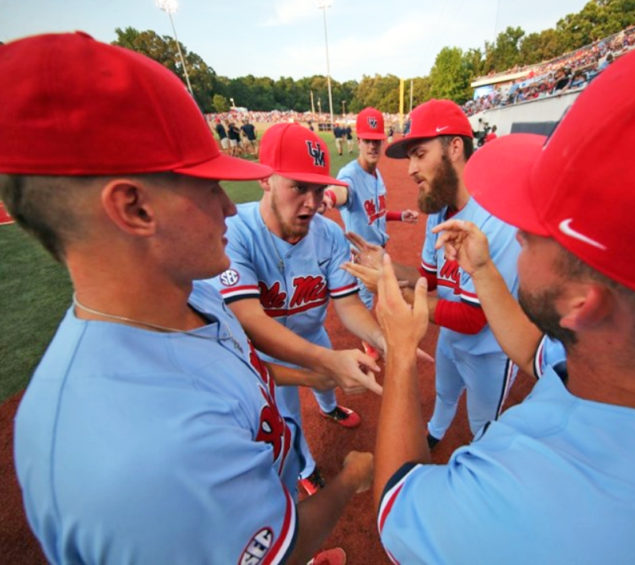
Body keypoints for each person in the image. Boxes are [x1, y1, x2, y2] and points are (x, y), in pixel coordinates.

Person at [373, 29, 635, 563]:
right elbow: (537, 350)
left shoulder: (529, 496)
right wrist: (484, 269)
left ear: (585, 302)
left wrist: (400, 353)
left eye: (536, 228)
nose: (518, 233)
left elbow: (396, 509)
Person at [2, 32, 371, 564]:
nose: (227, 206)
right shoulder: (144, 455)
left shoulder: (186, 290)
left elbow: (235, 374)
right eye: (207, 184)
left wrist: (316, 375)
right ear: (134, 209)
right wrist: (350, 479)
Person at [208, 122, 386, 496]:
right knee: (286, 416)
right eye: (298, 187)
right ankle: (305, 465)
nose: (312, 201)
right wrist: (324, 362)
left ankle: (329, 408)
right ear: (266, 180)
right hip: (264, 352)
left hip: (311, 333)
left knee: (326, 383)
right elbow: (250, 319)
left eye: (319, 188)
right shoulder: (235, 231)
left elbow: (348, 304)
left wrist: (384, 340)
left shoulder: (329, 233)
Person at [344, 99, 522, 448]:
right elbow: (430, 280)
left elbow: (473, 318)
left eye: (419, 154)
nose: (410, 168)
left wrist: (390, 287)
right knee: (443, 394)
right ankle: (436, 432)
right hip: (451, 338)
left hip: (490, 351)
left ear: (454, 147)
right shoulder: (439, 210)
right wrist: (385, 265)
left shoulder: (495, 218)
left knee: (483, 427)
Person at [323, 106, 419, 314]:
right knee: (366, 302)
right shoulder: (349, 174)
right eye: (367, 141)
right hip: (363, 256)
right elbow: (342, 190)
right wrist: (329, 197)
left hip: (380, 251)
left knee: (386, 294)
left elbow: (376, 214)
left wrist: (400, 215)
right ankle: (370, 346)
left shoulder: (377, 174)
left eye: (376, 141)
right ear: (358, 141)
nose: (372, 146)